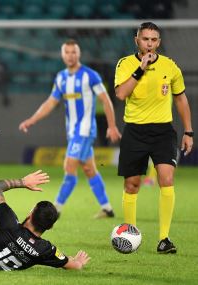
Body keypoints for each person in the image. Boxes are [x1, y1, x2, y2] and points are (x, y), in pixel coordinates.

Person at [114, 22, 193, 254]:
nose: (149, 43)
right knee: (132, 185)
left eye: (153, 39)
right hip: (135, 131)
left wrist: (188, 131)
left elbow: (180, 99)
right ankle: (130, 235)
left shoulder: (170, 66)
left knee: (166, 179)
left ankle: (164, 238)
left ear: (159, 42)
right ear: (136, 40)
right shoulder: (125, 64)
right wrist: (140, 68)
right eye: (145, 39)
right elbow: (120, 93)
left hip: (162, 132)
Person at [19, 39, 121, 218]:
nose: (70, 55)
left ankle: (56, 209)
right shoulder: (61, 78)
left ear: (78, 54)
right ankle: (107, 208)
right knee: (89, 169)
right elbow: (51, 103)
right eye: (67, 52)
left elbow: (105, 100)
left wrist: (112, 126)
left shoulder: (90, 75)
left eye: (73, 52)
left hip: (84, 131)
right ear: (62, 55)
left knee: (69, 167)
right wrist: (32, 120)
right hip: (72, 131)